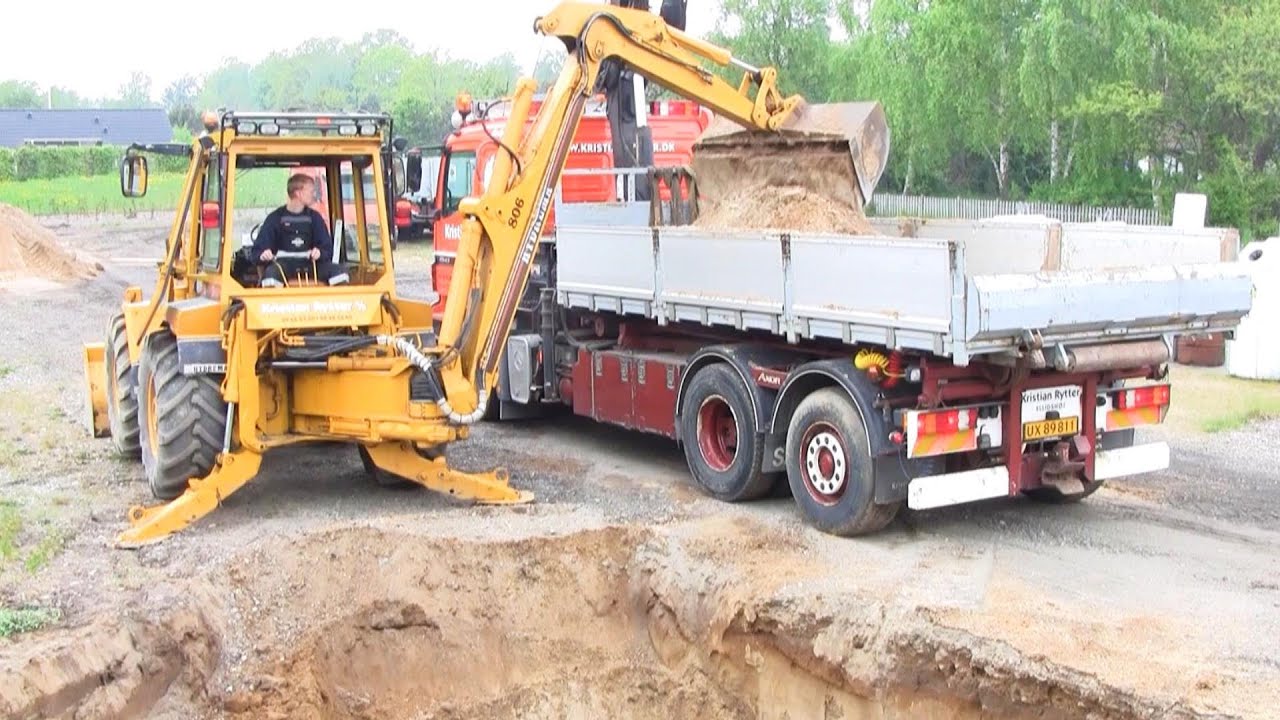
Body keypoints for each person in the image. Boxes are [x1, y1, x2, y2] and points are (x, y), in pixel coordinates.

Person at [252, 173, 349, 288]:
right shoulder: (275, 219)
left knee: (341, 273)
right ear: (298, 193)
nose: (314, 195)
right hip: (283, 267)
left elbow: (327, 249)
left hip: (311, 265)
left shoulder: (315, 218)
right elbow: (257, 252)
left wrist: (320, 253)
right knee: (270, 277)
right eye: (311, 191)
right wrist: (263, 254)